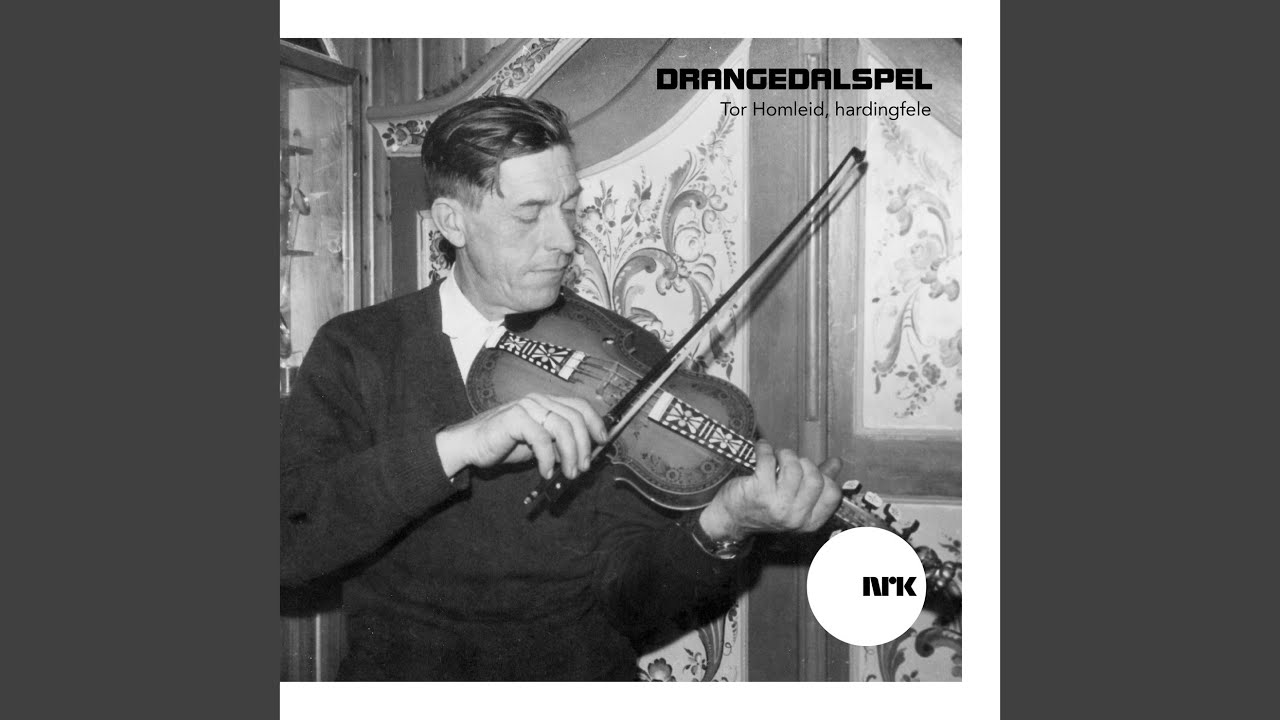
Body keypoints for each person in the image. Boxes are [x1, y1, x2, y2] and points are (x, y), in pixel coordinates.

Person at [280, 95, 843, 681]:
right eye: (529, 214)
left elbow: (631, 602)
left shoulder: (624, 356)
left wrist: (723, 524)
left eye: (569, 208)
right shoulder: (360, 349)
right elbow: (286, 546)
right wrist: (457, 446)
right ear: (452, 222)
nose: (566, 241)